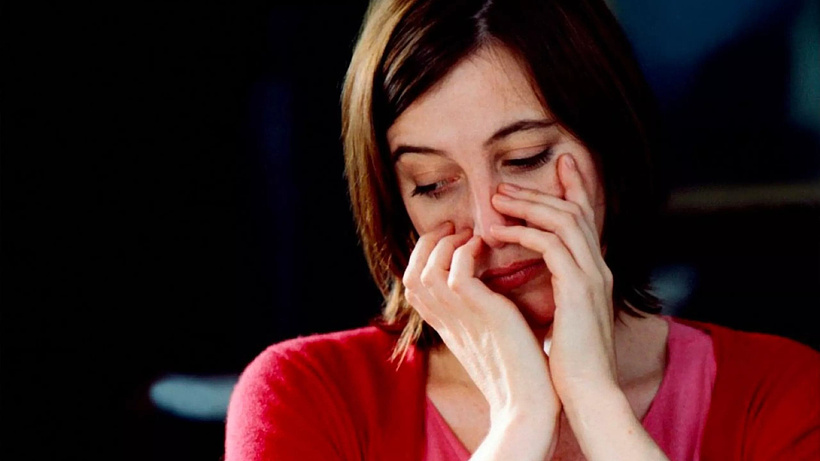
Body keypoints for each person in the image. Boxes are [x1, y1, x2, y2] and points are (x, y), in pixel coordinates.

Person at [225, 0, 820, 459]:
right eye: (433, 184)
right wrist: (519, 418)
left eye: (525, 159)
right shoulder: (305, 396)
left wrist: (595, 401)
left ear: (611, 145)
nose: (490, 225)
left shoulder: (780, 390)